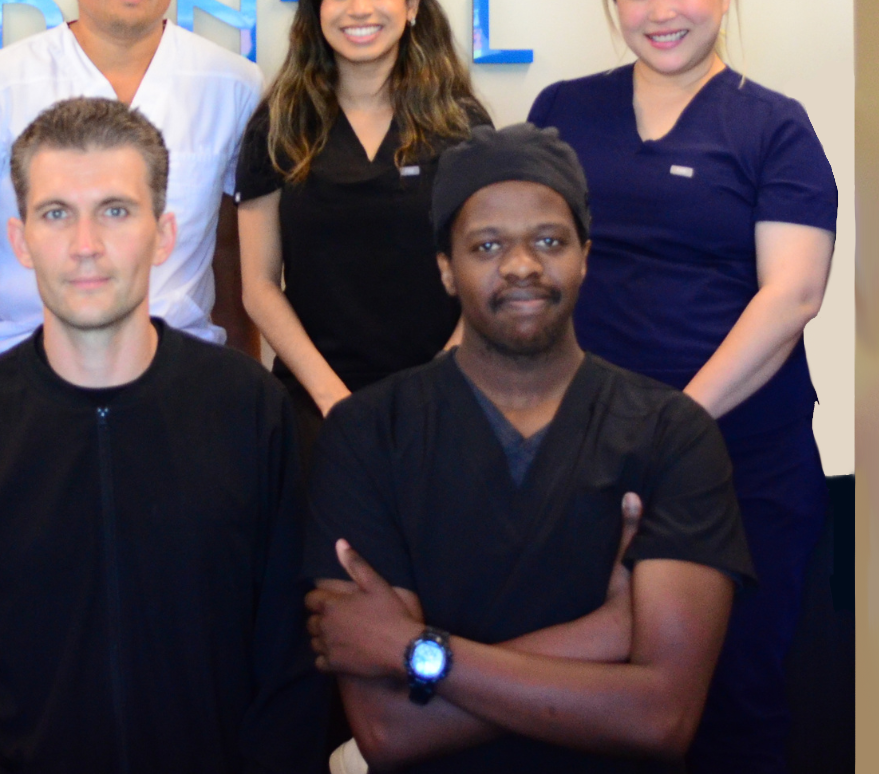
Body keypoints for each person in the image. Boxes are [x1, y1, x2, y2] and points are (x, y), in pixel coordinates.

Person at [0, 97, 322, 774]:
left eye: (115, 211)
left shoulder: (251, 411)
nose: (85, 246)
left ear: (164, 234)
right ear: (19, 240)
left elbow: (296, 656)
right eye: (56, 213)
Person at [304, 122, 753, 773]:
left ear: (585, 256)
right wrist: (605, 635)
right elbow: (388, 729)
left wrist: (416, 653)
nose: (522, 265)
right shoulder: (369, 434)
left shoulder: (671, 434)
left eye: (549, 240)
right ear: (446, 269)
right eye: (487, 245)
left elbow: (661, 717)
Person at [526, 0, 834, 774]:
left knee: (735, 696)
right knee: (587, 697)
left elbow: (792, 296)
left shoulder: (772, 125)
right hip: (586, 458)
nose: (660, 11)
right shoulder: (563, 111)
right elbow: (525, 265)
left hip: (743, 463)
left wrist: (673, 428)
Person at [0, 0, 262, 367]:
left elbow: (229, 255)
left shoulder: (234, 87)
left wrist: (246, 385)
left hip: (180, 370)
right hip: (24, 370)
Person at [236, 0, 488, 463]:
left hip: (443, 402)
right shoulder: (278, 125)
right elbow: (258, 285)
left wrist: (436, 387)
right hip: (314, 406)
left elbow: (484, 271)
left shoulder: (462, 125)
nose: (359, 8)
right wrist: (332, 398)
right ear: (315, 7)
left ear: (412, 3)